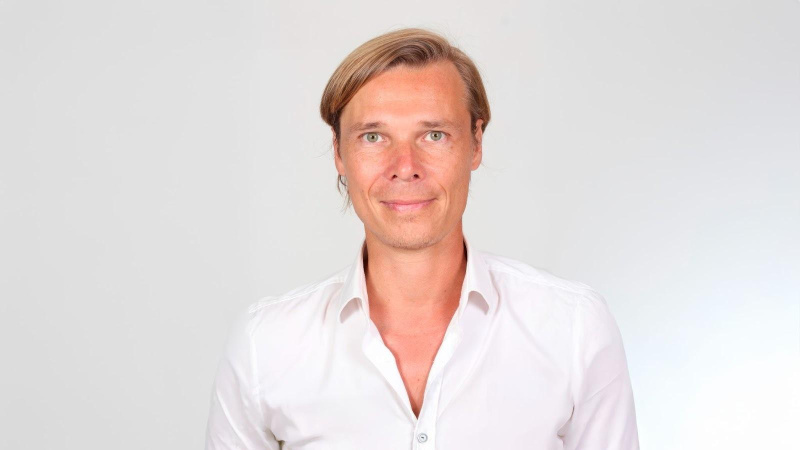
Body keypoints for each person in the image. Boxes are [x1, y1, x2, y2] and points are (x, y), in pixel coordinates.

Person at [204, 28, 640, 449]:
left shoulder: (574, 329)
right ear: (338, 152)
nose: (405, 166)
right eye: (373, 137)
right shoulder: (266, 344)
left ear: (476, 143)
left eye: (434, 135)